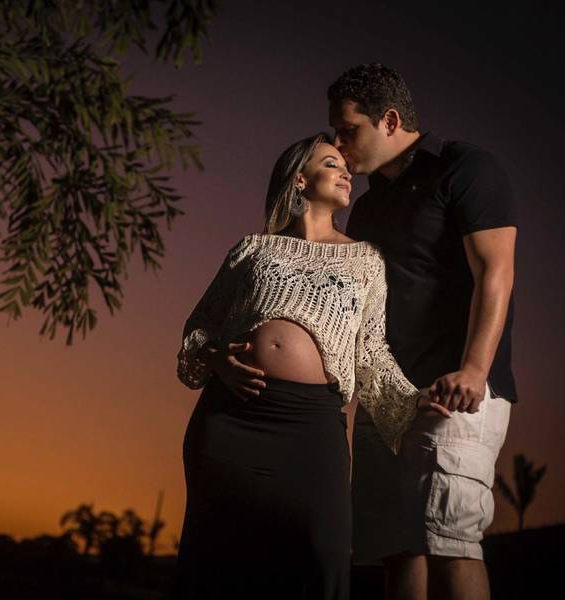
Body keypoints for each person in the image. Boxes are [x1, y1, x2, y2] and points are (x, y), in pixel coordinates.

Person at [172, 133, 450, 599]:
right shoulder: (252, 250)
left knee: (320, 560)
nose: (347, 174)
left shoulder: (366, 260)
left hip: (310, 428)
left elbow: (371, 353)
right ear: (300, 179)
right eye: (331, 164)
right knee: (217, 566)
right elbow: (198, 328)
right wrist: (218, 359)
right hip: (230, 420)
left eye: (346, 167)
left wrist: (413, 400)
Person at [328, 63, 517, 600]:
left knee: (449, 540)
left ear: (389, 120)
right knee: (396, 547)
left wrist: (475, 369)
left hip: (455, 391)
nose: (340, 146)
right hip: (384, 399)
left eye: (349, 130)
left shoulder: (467, 168)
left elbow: (496, 271)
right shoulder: (365, 208)